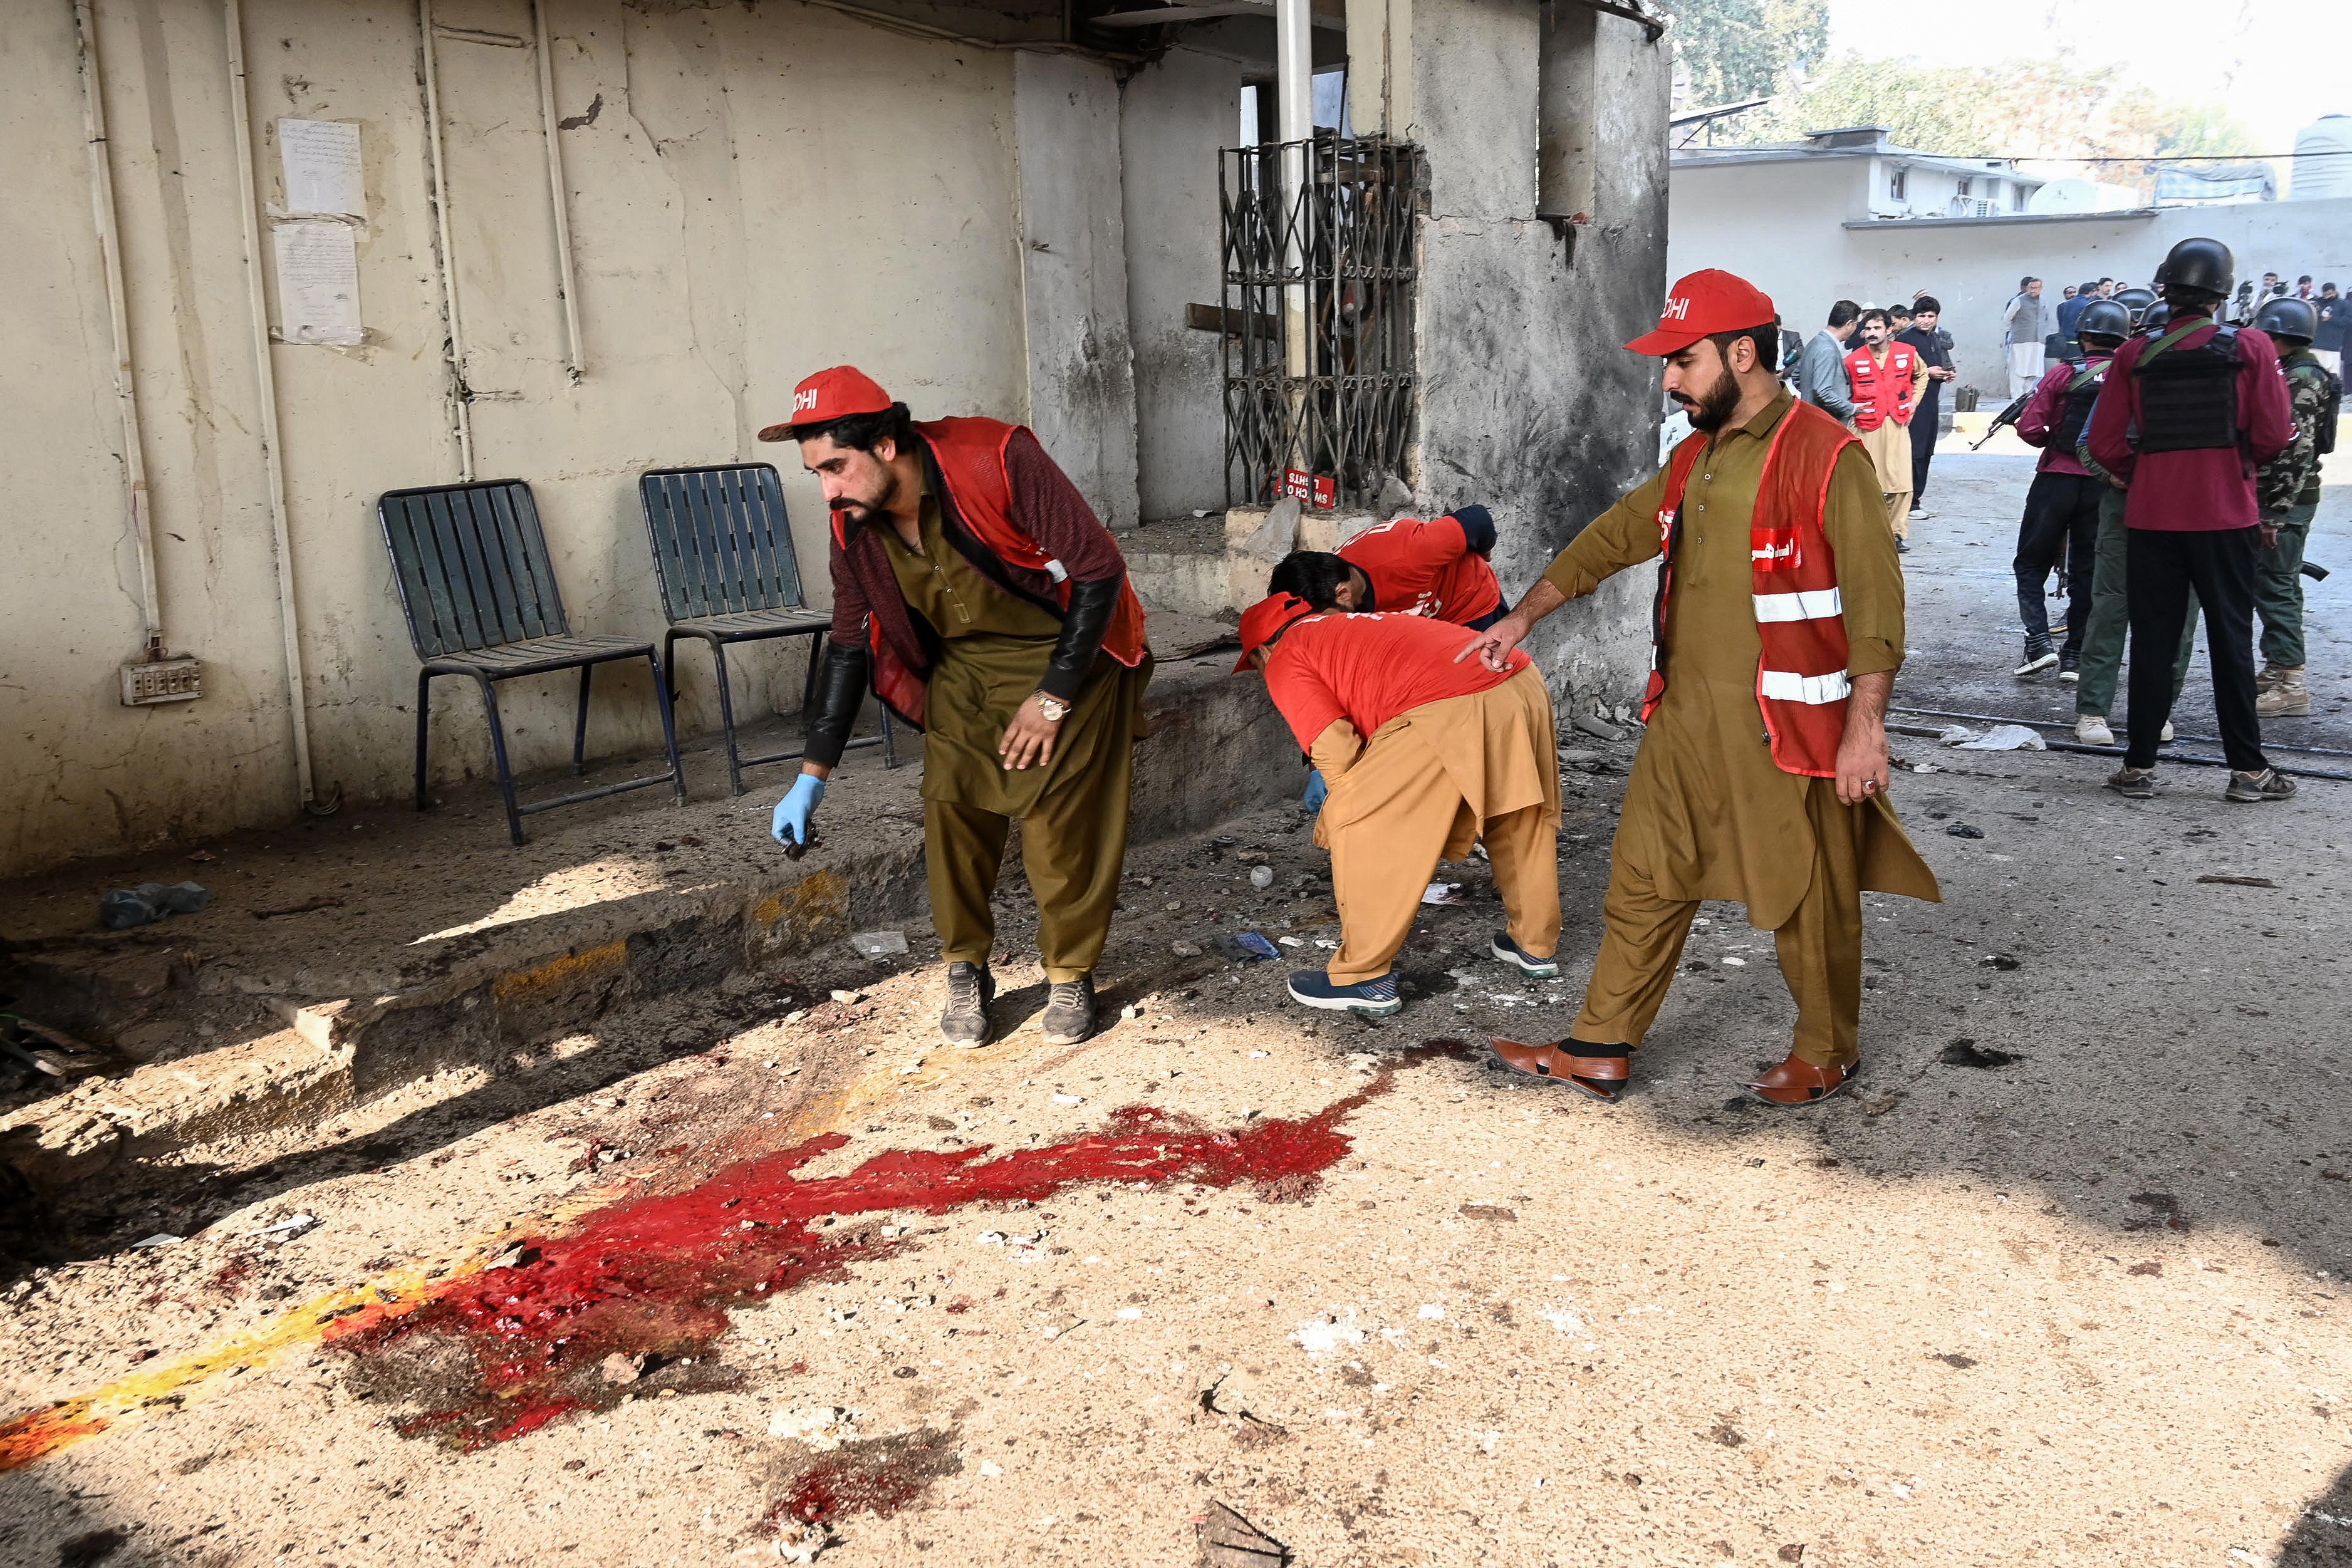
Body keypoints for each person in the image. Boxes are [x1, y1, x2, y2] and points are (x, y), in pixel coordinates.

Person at [1463, 269, 1941, 1108]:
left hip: (1787, 723)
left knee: (1806, 889)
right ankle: (1598, 1045)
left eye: (1682, 360)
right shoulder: (1695, 455)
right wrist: (1524, 615)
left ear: (1742, 354)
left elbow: (1875, 603)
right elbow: (1617, 534)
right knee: (1645, 876)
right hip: (1684, 716)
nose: (1669, 378)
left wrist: (1865, 727)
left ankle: (1827, 1048)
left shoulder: (1825, 456)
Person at [766, 366, 1154, 1046]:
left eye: (836, 467)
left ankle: (1069, 971)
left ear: (885, 444)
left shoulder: (996, 458)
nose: (827, 490)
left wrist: (1053, 696)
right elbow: (849, 640)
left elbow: (1098, 569)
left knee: (1058, 824)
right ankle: (964, 966)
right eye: (815, 474)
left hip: (1067, 652)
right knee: (952, 814)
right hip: (964, 665)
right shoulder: (853, 523)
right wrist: (811, 775)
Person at [1234, 594, 1561, 1017]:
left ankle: (1363, 978)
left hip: (1451, 702)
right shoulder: (1347, 627)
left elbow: (1336, 750)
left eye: (1256, 665)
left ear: (1263, 649)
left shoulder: (1286, 655)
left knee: (1360, 814)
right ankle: (1534, 945)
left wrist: (1352, 810)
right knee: (1517, 816)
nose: (1262, 674)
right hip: (1518, 677)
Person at [2087, 237, 2296, 804]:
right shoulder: (2250, 346)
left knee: (2153, 639)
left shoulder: (2134, 354)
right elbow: (2276, 436)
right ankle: (2248, 772)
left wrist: (2149, 470)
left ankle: (2138, 767)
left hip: (2153, 516)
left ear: (2167, 290)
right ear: (2221, 293)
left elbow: (2104, 443)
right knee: (2231, 639)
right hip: (2227, 515)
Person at [2012, 299, 2130, 678]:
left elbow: (2029, 426)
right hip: (2103, 484)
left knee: (2031, 563)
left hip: (2056, 480)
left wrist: (2056, 441)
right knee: (2088, 571)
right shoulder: (2130, 375)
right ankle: (2075, 655)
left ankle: (2038, 643)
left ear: (2083, 336)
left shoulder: (2063, 374)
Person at [2251, 297, 2338, 718]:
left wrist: (2274, 513)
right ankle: (2277, 666)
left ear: (2278, 336)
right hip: (2283, 497)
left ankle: (2291, 681)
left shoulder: (2302, 377)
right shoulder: (2292, 370)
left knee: (2278, 585)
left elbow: (2295, 452)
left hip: (2287, 498)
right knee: (2271, 582)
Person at [1267, 506, 1507, 630]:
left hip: (1472, 607)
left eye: (1324, 620)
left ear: (1343, 594)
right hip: (1430, 623)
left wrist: (1483, 550)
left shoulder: (1408, 553)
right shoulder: (1332, 580)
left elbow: (1479, 520)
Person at [1845, 308, 1926, 545]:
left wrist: (1913, 403)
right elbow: (1843, 390)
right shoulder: (1852, 360)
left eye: (1877, 328)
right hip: (1865, 426)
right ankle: (1869, 531)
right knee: (1869, 481)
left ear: (1889, 330)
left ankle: (1896, 533)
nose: (1871, 333)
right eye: (1867, 329)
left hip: (1897, 423)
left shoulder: (1908, 353)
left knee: (1901, 482)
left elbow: (1922, 376)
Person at [1896, 296, 1958, 519]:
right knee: (1914, 452)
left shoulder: (1934, 338)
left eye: (1931, 316)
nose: (1926, 320)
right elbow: (1900, 373)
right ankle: (1909, 504)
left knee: (1926, 452)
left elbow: (1935, 368)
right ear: (1914, 317)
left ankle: (1917, 500)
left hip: (1932, 402)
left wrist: (1944, 375)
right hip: (1913, 404)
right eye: (1922, 316)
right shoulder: (1905, 339)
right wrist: (1927, 373)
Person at [1798, 301, 1861, 421]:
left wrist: (1809, 396)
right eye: (1856, 324)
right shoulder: (1828, 349)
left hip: (1812, 417)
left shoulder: (1815, 342)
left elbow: (1797, 376)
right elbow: (1823, 392)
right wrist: (1851, 409)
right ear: (1850, 324)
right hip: (1826, 421)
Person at [2005, 277, 2049, 397]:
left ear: (2041, 289)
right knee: (2018, 371)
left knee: (2034, 372)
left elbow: (2045, 318)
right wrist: (2015, 332)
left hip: (2038, 341)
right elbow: (2007, 319)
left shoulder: (2044, 301)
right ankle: (2016, 400)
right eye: (2030, 288)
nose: (2032, 291)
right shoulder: (2018, 301)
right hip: (2021, 341)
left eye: (2035, 288)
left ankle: (2027, 398)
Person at [2314, 282, 2345, 376]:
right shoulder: (2318, 302)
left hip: (2334, 345)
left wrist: (2331, 319)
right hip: (2317, 344)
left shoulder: (2343, 304)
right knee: (2318, 372)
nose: (2327, 297)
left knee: (2333, 373)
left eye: (2330, 294)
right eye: (2325, 294)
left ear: (2335, 292)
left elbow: (2346, 321)